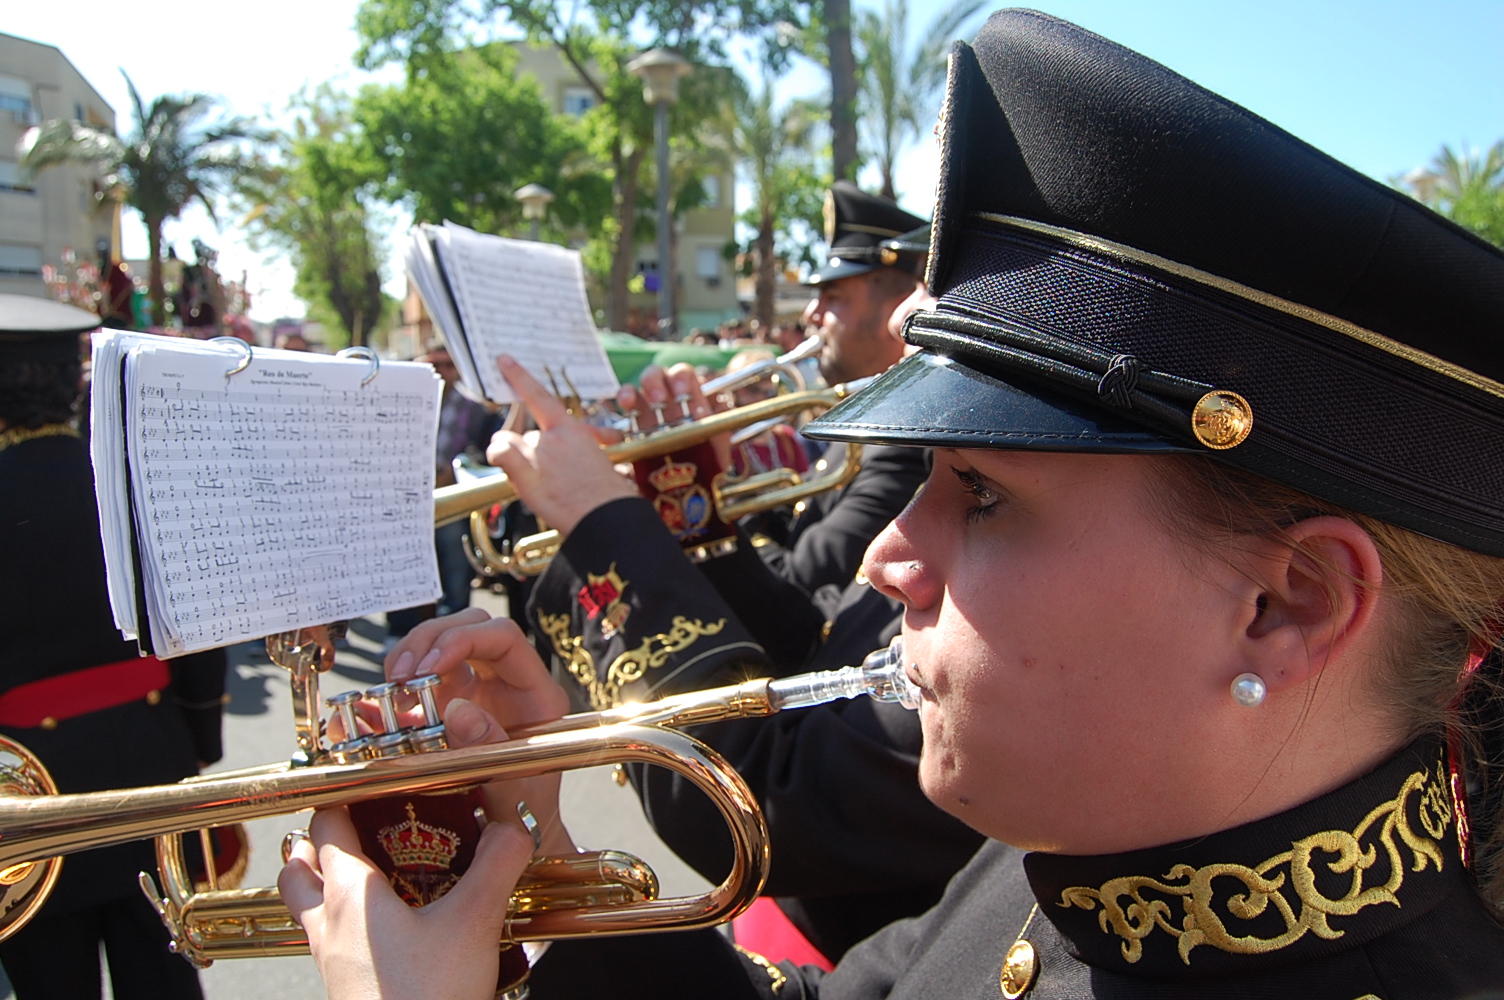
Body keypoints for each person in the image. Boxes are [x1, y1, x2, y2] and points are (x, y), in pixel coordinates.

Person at [282, 10, 1504, 997]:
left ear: (1285, 607)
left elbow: (787, 788)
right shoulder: (1113, 835)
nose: (889, 561)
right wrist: (534, 856)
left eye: (981, 494)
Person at [504, 196, 960, 962]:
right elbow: (823, 642)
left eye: (986, 494)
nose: (900, 320)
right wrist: (689, 515)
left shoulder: (900, 451)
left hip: (846, 925)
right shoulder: (876, 442)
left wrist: (610, 526)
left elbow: (754, 795)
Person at [0, 296, 226, 1000]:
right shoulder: (136, 478)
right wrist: (197, 734)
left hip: (25, 786)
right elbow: (195, 622)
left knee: (50, 981)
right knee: (162, 970)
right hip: (147, 757)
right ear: (74, 384)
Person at [386, 342, 501, 646]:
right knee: (407, 567)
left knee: (454, 565)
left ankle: (454, 631)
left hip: (451, 495)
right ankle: (401, 631)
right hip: (410, 497)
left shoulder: (473, 407)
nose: (441, 372)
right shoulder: (403, 402)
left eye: (448, 365)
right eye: (434, 364)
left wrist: (454, 470)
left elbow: (481, 451)